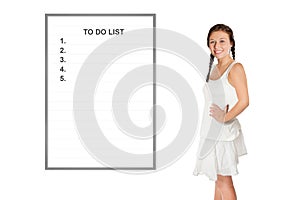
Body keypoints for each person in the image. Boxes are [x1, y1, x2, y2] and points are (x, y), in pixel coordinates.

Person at [193, 24, 249, 200]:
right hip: (211, 132)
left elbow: (244, 101)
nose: (217, 46)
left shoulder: (236, 68)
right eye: (212, 42)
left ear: (231, 43)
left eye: (222, 41)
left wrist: (225, 117)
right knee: (218, 181)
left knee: (224, 183)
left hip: (223, 134)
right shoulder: (214, 69)